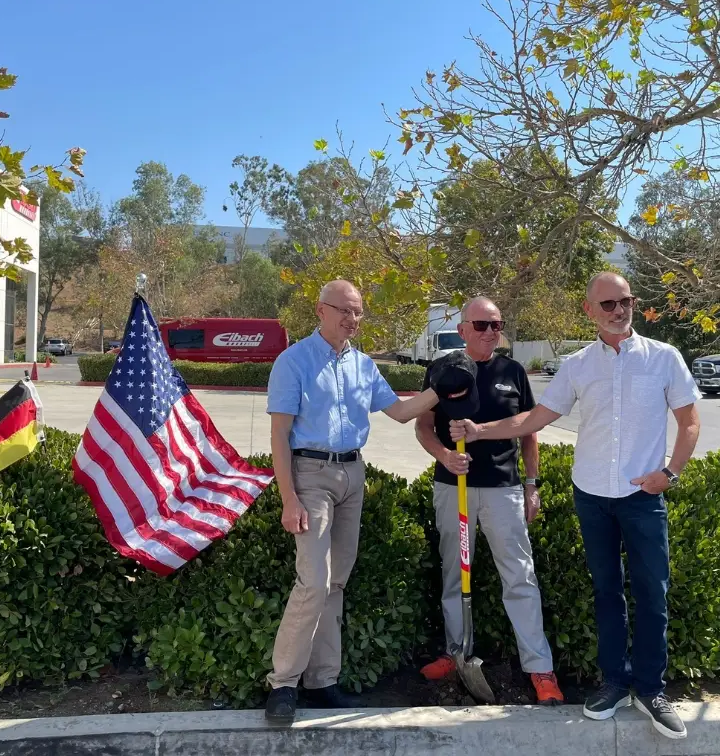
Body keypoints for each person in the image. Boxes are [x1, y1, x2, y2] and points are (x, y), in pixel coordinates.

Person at [450, 272, 701, 740]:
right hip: (591, 494)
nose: (618, 310)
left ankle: (650, 689)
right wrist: (482, 431)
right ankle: (613, 683)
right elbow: (536, 417)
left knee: (652, 594)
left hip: (643, 498)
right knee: (607, 593)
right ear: (589, 310)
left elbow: (689, 422)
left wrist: (670, 474)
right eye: (607, 304)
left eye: (624, 301)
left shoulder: (664, 358)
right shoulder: (579, 365)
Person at [263, 279, 451, 722]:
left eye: (358, 312)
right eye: (343, 310)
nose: (351, 319)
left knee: (335, 584)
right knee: (313, 581)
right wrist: (288, 498)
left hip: (353, 474)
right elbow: (278, 436)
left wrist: (444, 385)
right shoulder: (294, 362)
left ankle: (323, 681)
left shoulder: (364, 366)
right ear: (320, 309)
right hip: (310, 474)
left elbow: (402, 412)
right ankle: (283, 685)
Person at [415, 296, 564, 705]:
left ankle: (540, 669)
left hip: (503, 489)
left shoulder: (512, 371)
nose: (490, 332)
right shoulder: (442, 370)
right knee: (453, 574)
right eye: (480, 325)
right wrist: (444, 455)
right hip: (453, 487)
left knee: (519, 577)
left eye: (496, 325)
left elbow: (529, 430)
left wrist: (532, 484)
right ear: (462, 329)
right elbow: (424, 426)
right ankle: (456, 653)